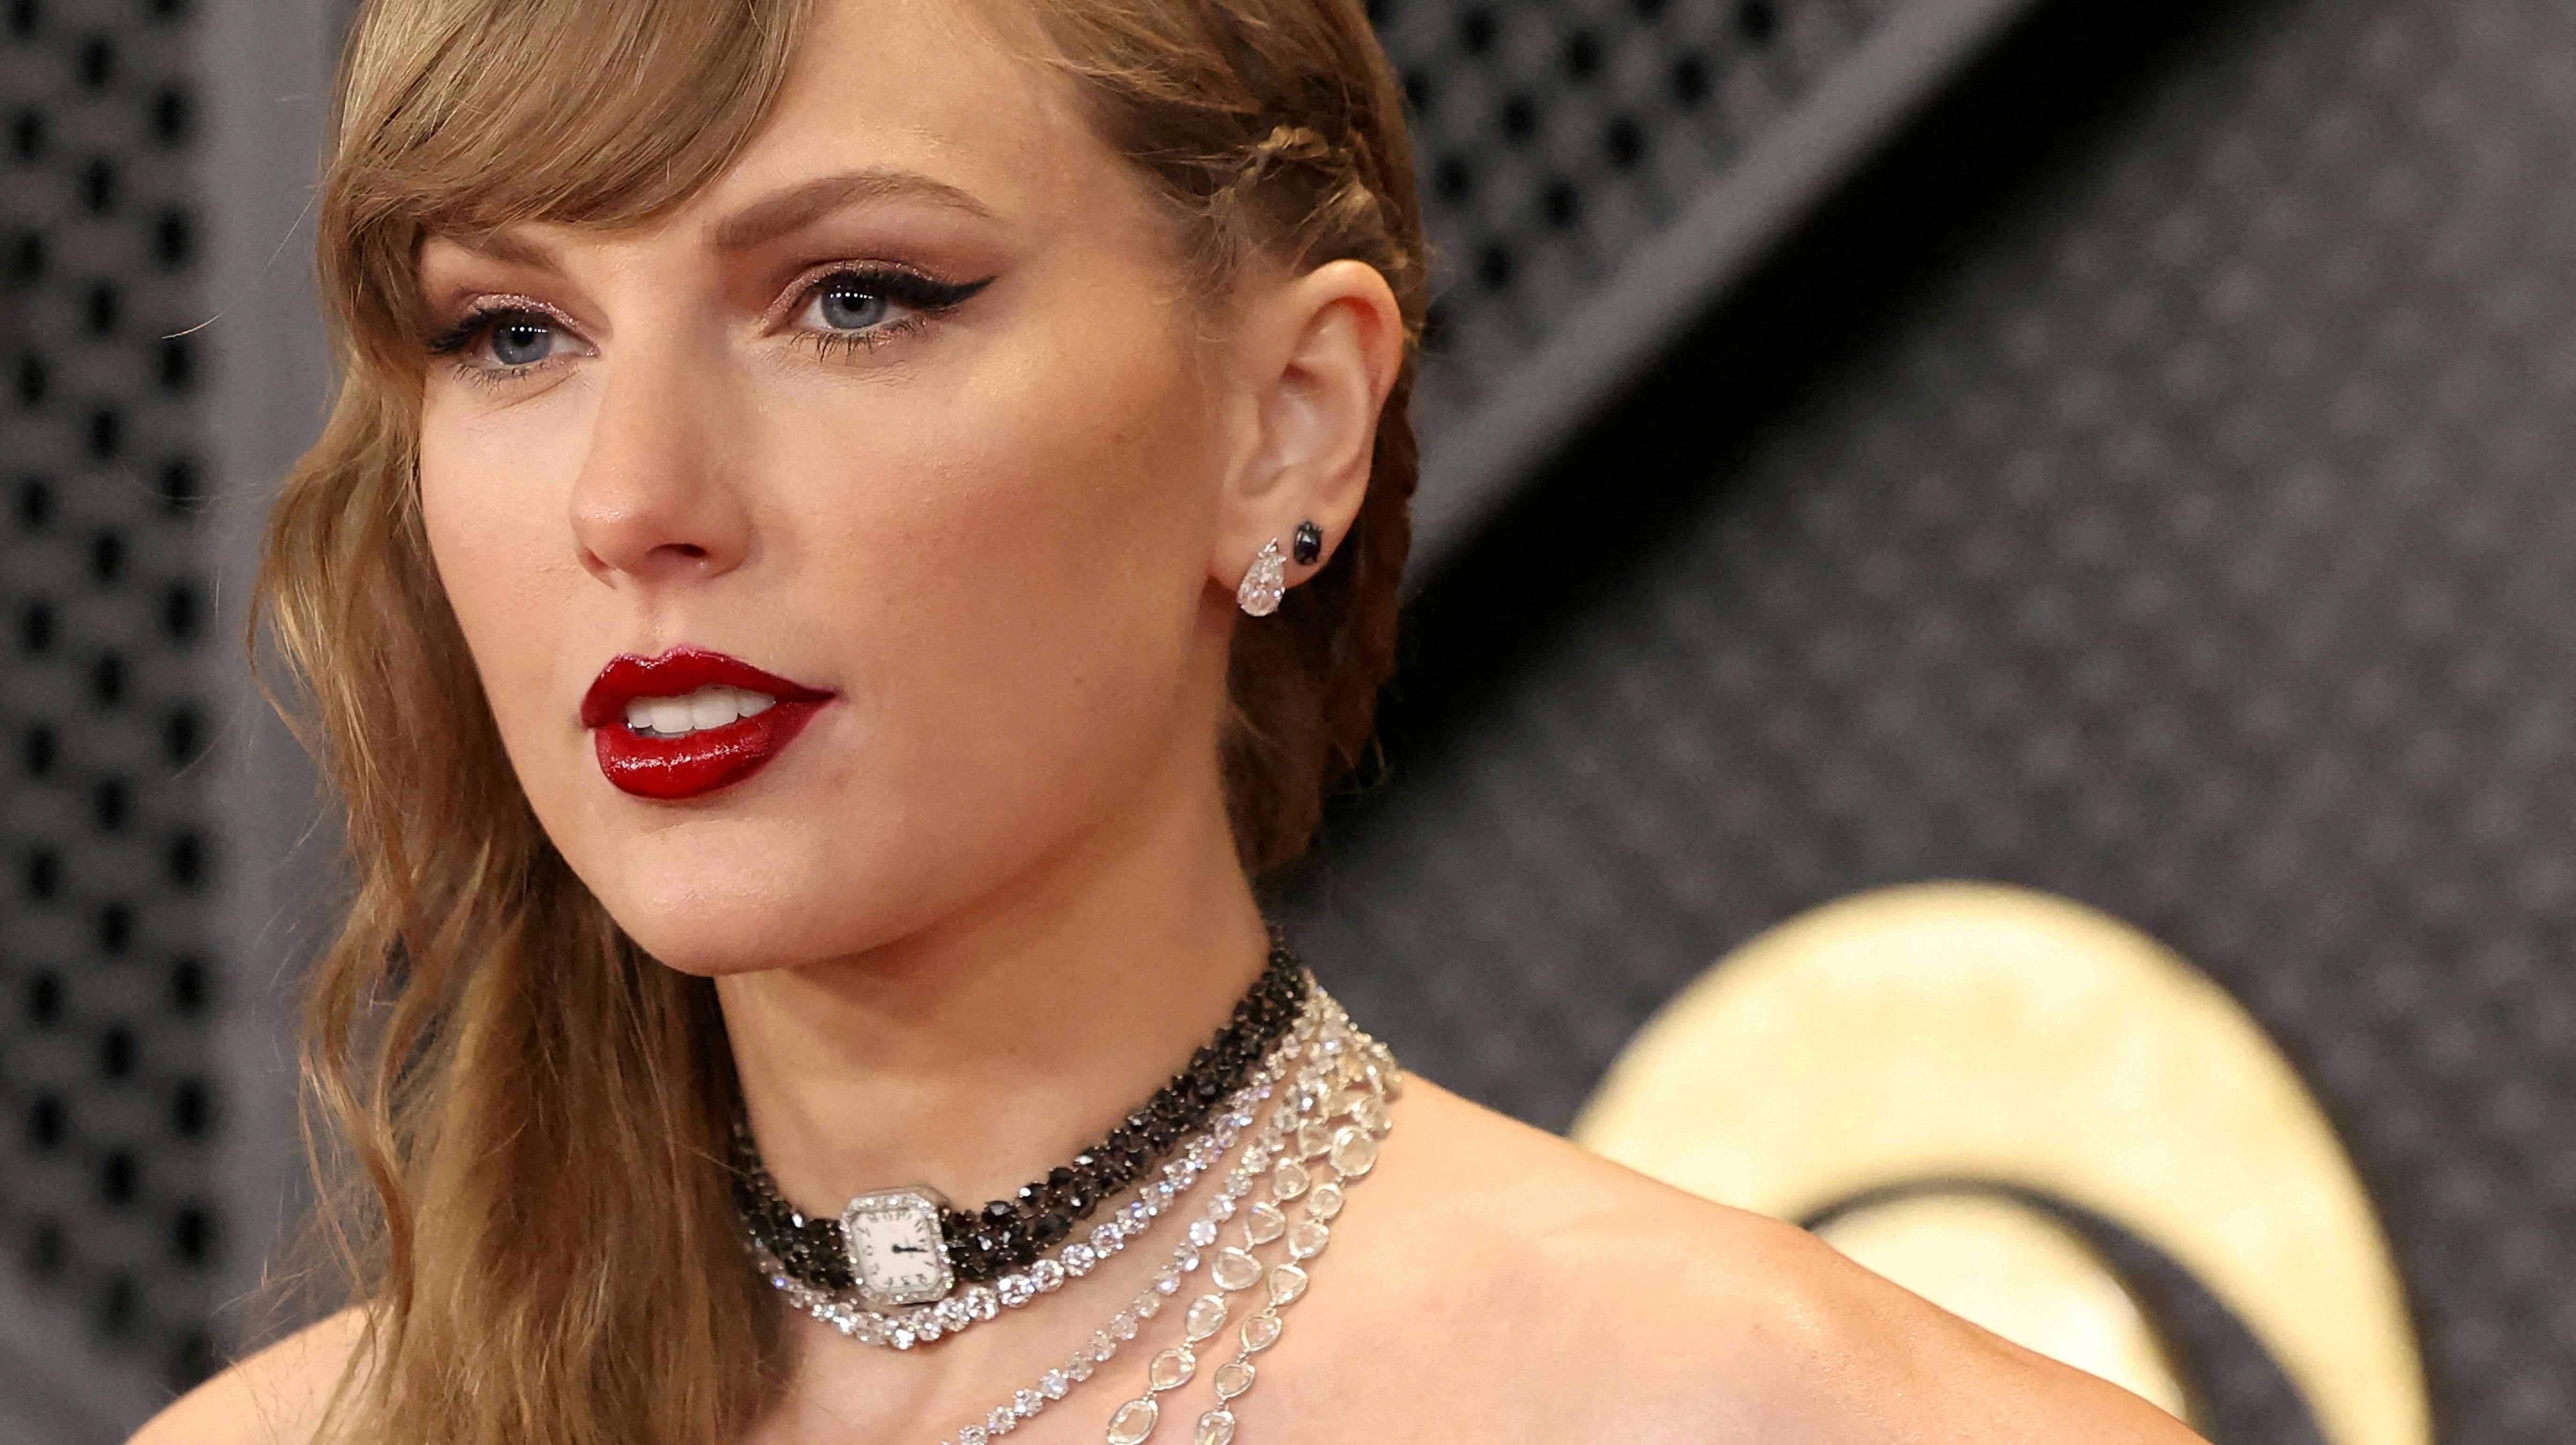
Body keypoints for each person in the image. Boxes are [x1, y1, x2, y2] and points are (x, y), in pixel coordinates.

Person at [137, 0, 2204, 1440]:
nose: (631, 499)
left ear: (1285, 421)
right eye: (512, 332)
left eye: (855, 297)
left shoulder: (1770, 1415)